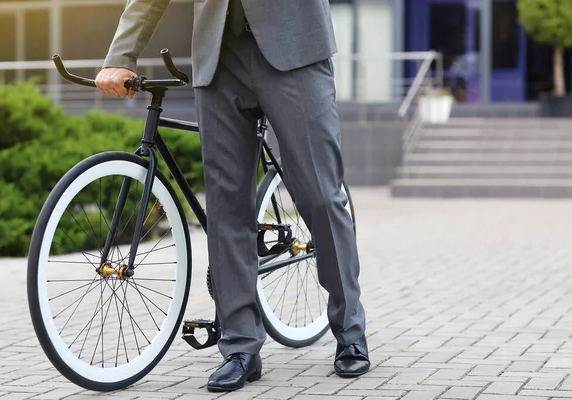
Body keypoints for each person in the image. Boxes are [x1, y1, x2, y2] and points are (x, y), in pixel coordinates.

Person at [95, 0, 370, 392]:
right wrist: (121, 54)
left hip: (295, 48)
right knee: (226, 210)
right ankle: (240, 346)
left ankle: (350, 330)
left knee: (323, 196)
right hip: (218, 56)